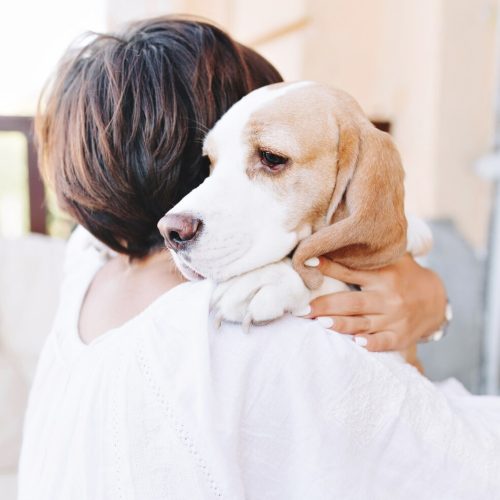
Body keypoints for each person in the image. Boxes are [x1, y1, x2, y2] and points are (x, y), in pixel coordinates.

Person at [18, 16, 499, 500]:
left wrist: (401, 271)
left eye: (268, 156)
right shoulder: (274, 337)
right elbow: (462, 467)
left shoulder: (87, 265)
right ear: (195, 161)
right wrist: (431, 302)